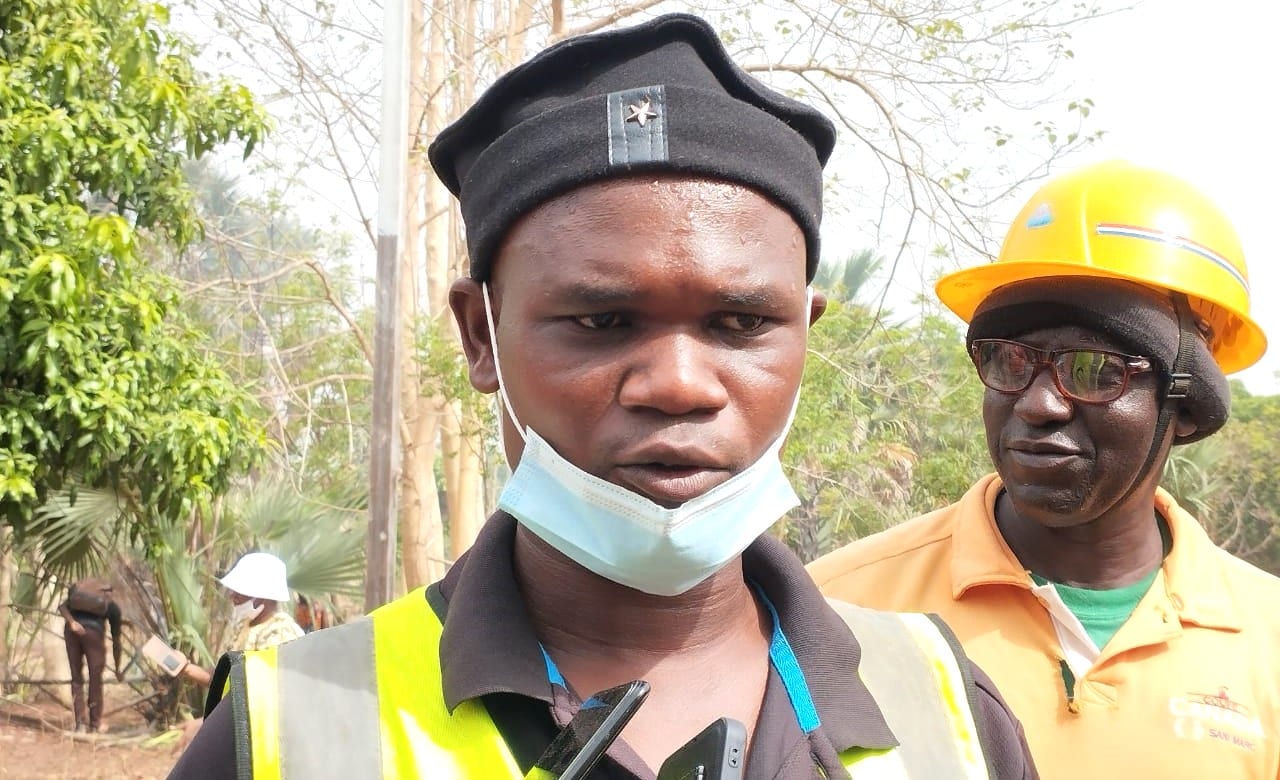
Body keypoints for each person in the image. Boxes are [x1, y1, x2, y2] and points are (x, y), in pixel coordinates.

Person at [172, 14, 1036, 779]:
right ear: (481, 336)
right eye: (602, 321)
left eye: (741, 323)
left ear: (804, 333)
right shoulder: (294, 729)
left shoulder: (948, 713)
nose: (679, 384)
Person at [810, 160, 1279, 779]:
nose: (1038, 404)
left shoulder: (1268, 639)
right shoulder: (836, 608)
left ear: (1186, 407)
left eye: (1096, 370)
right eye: (1010, 360)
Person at [180, 552, 305, 688]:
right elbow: (226, 676)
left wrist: (188, 669)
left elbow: (252, 687)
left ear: (262, 596)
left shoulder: (281, 632)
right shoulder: (246, 625)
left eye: (240, 591)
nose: (232, 596)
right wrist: (186, 667)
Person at [58, 575, 123, 733]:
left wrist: (72, 623)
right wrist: (117, 668)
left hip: (72, 632)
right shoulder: (112, 607)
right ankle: (95, 724)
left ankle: (80, 723)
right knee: (95, 677)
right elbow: (116, 642)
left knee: (76, 678)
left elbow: (62, 607)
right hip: (93, 635)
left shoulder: (78, 596)